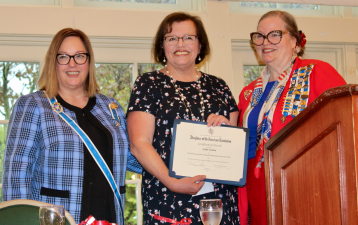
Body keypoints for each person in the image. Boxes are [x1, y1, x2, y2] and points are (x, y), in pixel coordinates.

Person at [2, 28, 141, 224]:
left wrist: (174, 158)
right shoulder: (33, 105)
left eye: (79, 56)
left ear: (89, 61)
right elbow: (16, 175)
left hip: (109, 218)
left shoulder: (111, 108)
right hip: (58, 220)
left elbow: (134, 157)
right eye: (64, 57)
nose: (72, 63)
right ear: (53, 62)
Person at [127, 12, 240, 224]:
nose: (181, 44)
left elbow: (235, 149)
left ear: (200, 44)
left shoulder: (219, 86)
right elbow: (138, 144)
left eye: (188, 37)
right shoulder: (148, 84)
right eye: (172, 38)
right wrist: (172, 182)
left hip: (219, 199)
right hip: (168, 195)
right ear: (162, 45)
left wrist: (226, 129)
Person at [237, 10, 347, 225]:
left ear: (295, 41)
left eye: (275, 34)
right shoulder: (249, 93)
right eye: (259, 36)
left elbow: (346, 123)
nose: (265, 42)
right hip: (257, 187)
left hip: (306, 183)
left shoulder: (317, 72)